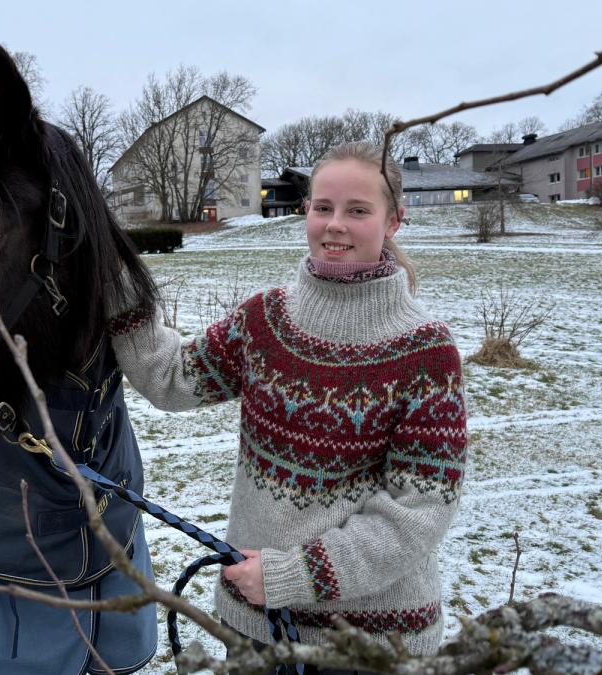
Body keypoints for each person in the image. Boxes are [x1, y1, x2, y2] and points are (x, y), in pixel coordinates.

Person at [109, 141, 468, 669]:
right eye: (322, 208)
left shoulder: (425, 353)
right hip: (255, 627)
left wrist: (295, 575)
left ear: (394, 221)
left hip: (368, 645)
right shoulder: (266, 321)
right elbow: (171, 379)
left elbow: (421, 510)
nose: (335, 225)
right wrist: (113, 277)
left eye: (358, 210)